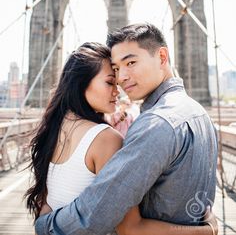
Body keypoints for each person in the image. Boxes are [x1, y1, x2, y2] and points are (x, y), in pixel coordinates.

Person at [34, 24, 218, 235]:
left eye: (131, 62)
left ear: (162, 56)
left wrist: (44, 225)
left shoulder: (156, 125)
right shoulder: (200, 114)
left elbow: (100, 218)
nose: (121, 79)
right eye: (117, 69)